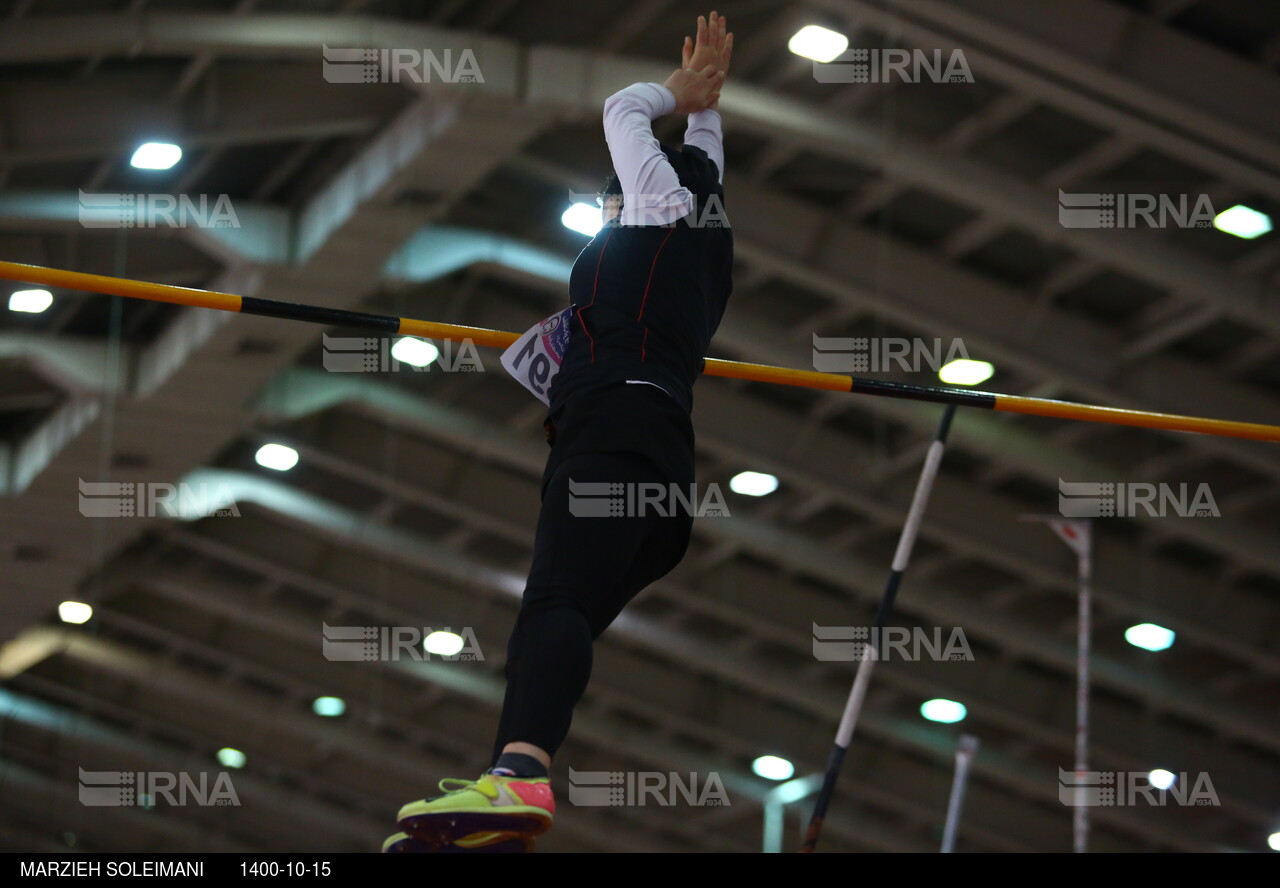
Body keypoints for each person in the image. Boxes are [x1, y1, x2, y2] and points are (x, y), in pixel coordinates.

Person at [385, 12, 734, 853]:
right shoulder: (708, 248)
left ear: (649, 188)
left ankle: (518, 778)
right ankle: (506, 786)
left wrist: (673, 96)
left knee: (553, 608)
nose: (610, 202)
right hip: (660, 465)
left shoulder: (660, 208)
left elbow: (622, 110)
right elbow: (710, 166)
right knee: (555, 620)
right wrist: (706, 110)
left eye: (616, 195)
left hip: (615, 430)